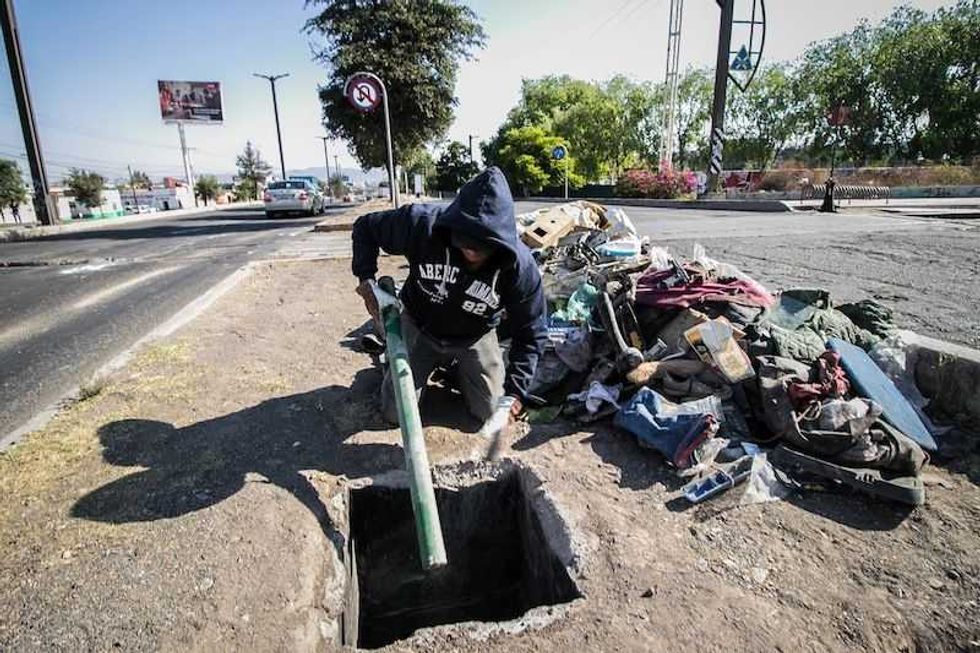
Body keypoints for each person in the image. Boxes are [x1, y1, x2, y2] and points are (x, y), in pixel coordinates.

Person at [351, 167, 546, 427]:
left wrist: (515, 392)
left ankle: (460, 371)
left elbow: (531, 332)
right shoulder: (422, 224)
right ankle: (400, 368)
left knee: (492, 414)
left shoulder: (520, 267)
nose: (472, 254)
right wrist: (366, 279)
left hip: (475, 334)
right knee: (395, 414)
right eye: (464, 243)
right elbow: (366, 228)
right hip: (420, 326)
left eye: (481, 248)